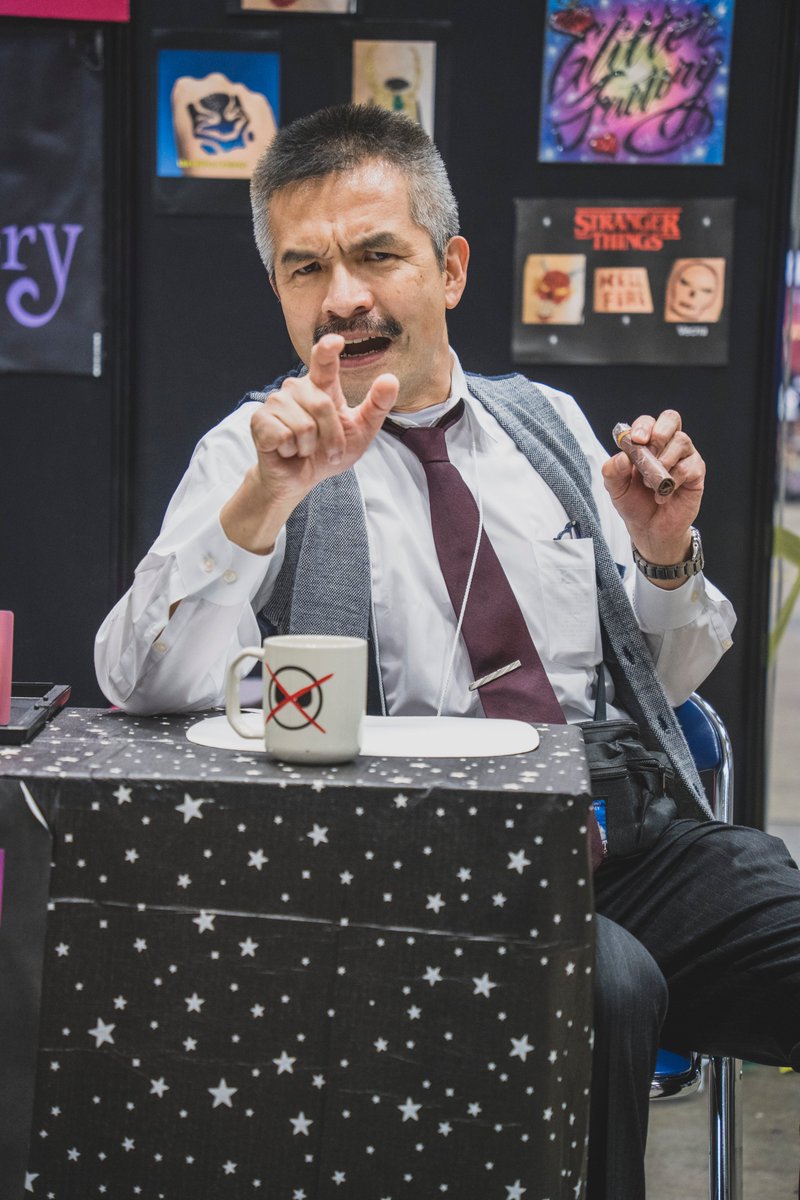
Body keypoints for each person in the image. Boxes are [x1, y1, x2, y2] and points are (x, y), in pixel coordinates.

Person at [95, 103, 800, 1198]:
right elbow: (137, 681)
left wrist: (663, 557)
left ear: (451, 268)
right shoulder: (251, 451)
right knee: (600, 990)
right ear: (279, 292)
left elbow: (650, 688)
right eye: (306, 268)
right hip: (409, 866)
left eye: (377, 254)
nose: (343, 296)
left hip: (622, 838)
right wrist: (261, 507)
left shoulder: (548, 423)